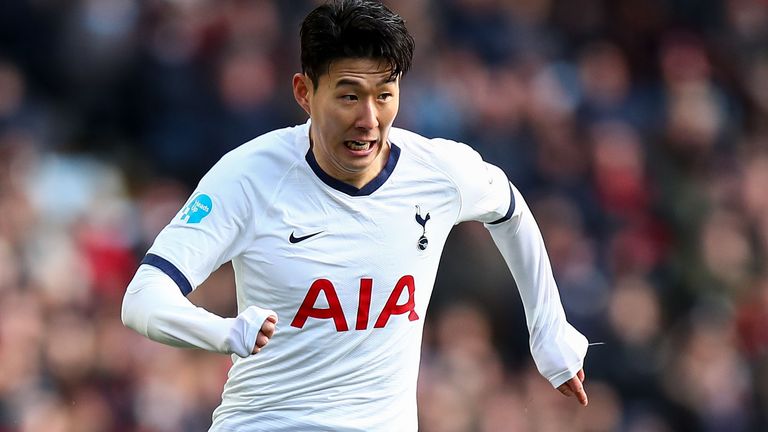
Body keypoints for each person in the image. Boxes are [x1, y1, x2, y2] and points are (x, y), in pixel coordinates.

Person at [121, 0, 590, 430]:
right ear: (305, 92)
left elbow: (509, 210)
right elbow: (142, 298)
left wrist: (548, 329)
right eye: (348, 96)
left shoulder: (438, 171)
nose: (369, 118)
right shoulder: (248, 177)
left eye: (384, 95)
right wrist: (222, 332)